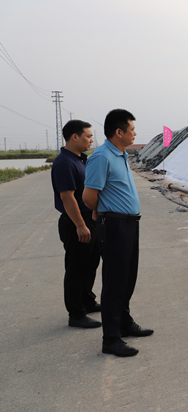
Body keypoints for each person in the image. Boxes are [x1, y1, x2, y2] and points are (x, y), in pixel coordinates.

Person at [83, 109, 153, 358]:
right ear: (119, 132)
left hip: (129, 224)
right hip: (114, 225)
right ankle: (111, 339)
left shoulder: (120, 154)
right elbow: (88, 196)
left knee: (127, 278)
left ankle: (124, 323)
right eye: (132, 129)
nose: (135, 133)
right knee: (114, 281)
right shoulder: (101, 157)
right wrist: (100, 210)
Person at [51, 120, 102, 329]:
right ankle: (76, 314)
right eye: (88, 136)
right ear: (75, 137)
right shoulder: (65, 162)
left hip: (89, 218)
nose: (91, 140)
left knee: (90, 264)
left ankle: (87, 301)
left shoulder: (81, 160)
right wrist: (81, 225)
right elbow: (67, 197)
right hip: (75, 221)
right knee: (76, 268)